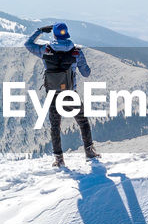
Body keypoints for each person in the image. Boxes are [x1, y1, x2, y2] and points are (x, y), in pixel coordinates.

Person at [25, 21, 99, 167]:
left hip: (53, 95)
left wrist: (40, 31)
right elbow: (86, 73)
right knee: (83, 122)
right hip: (70, 94)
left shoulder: (45, 50)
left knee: (55, 127)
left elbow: (28, 44)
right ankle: (89, 151)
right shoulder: (76, 52)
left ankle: (59, 159)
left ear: (54, 35)